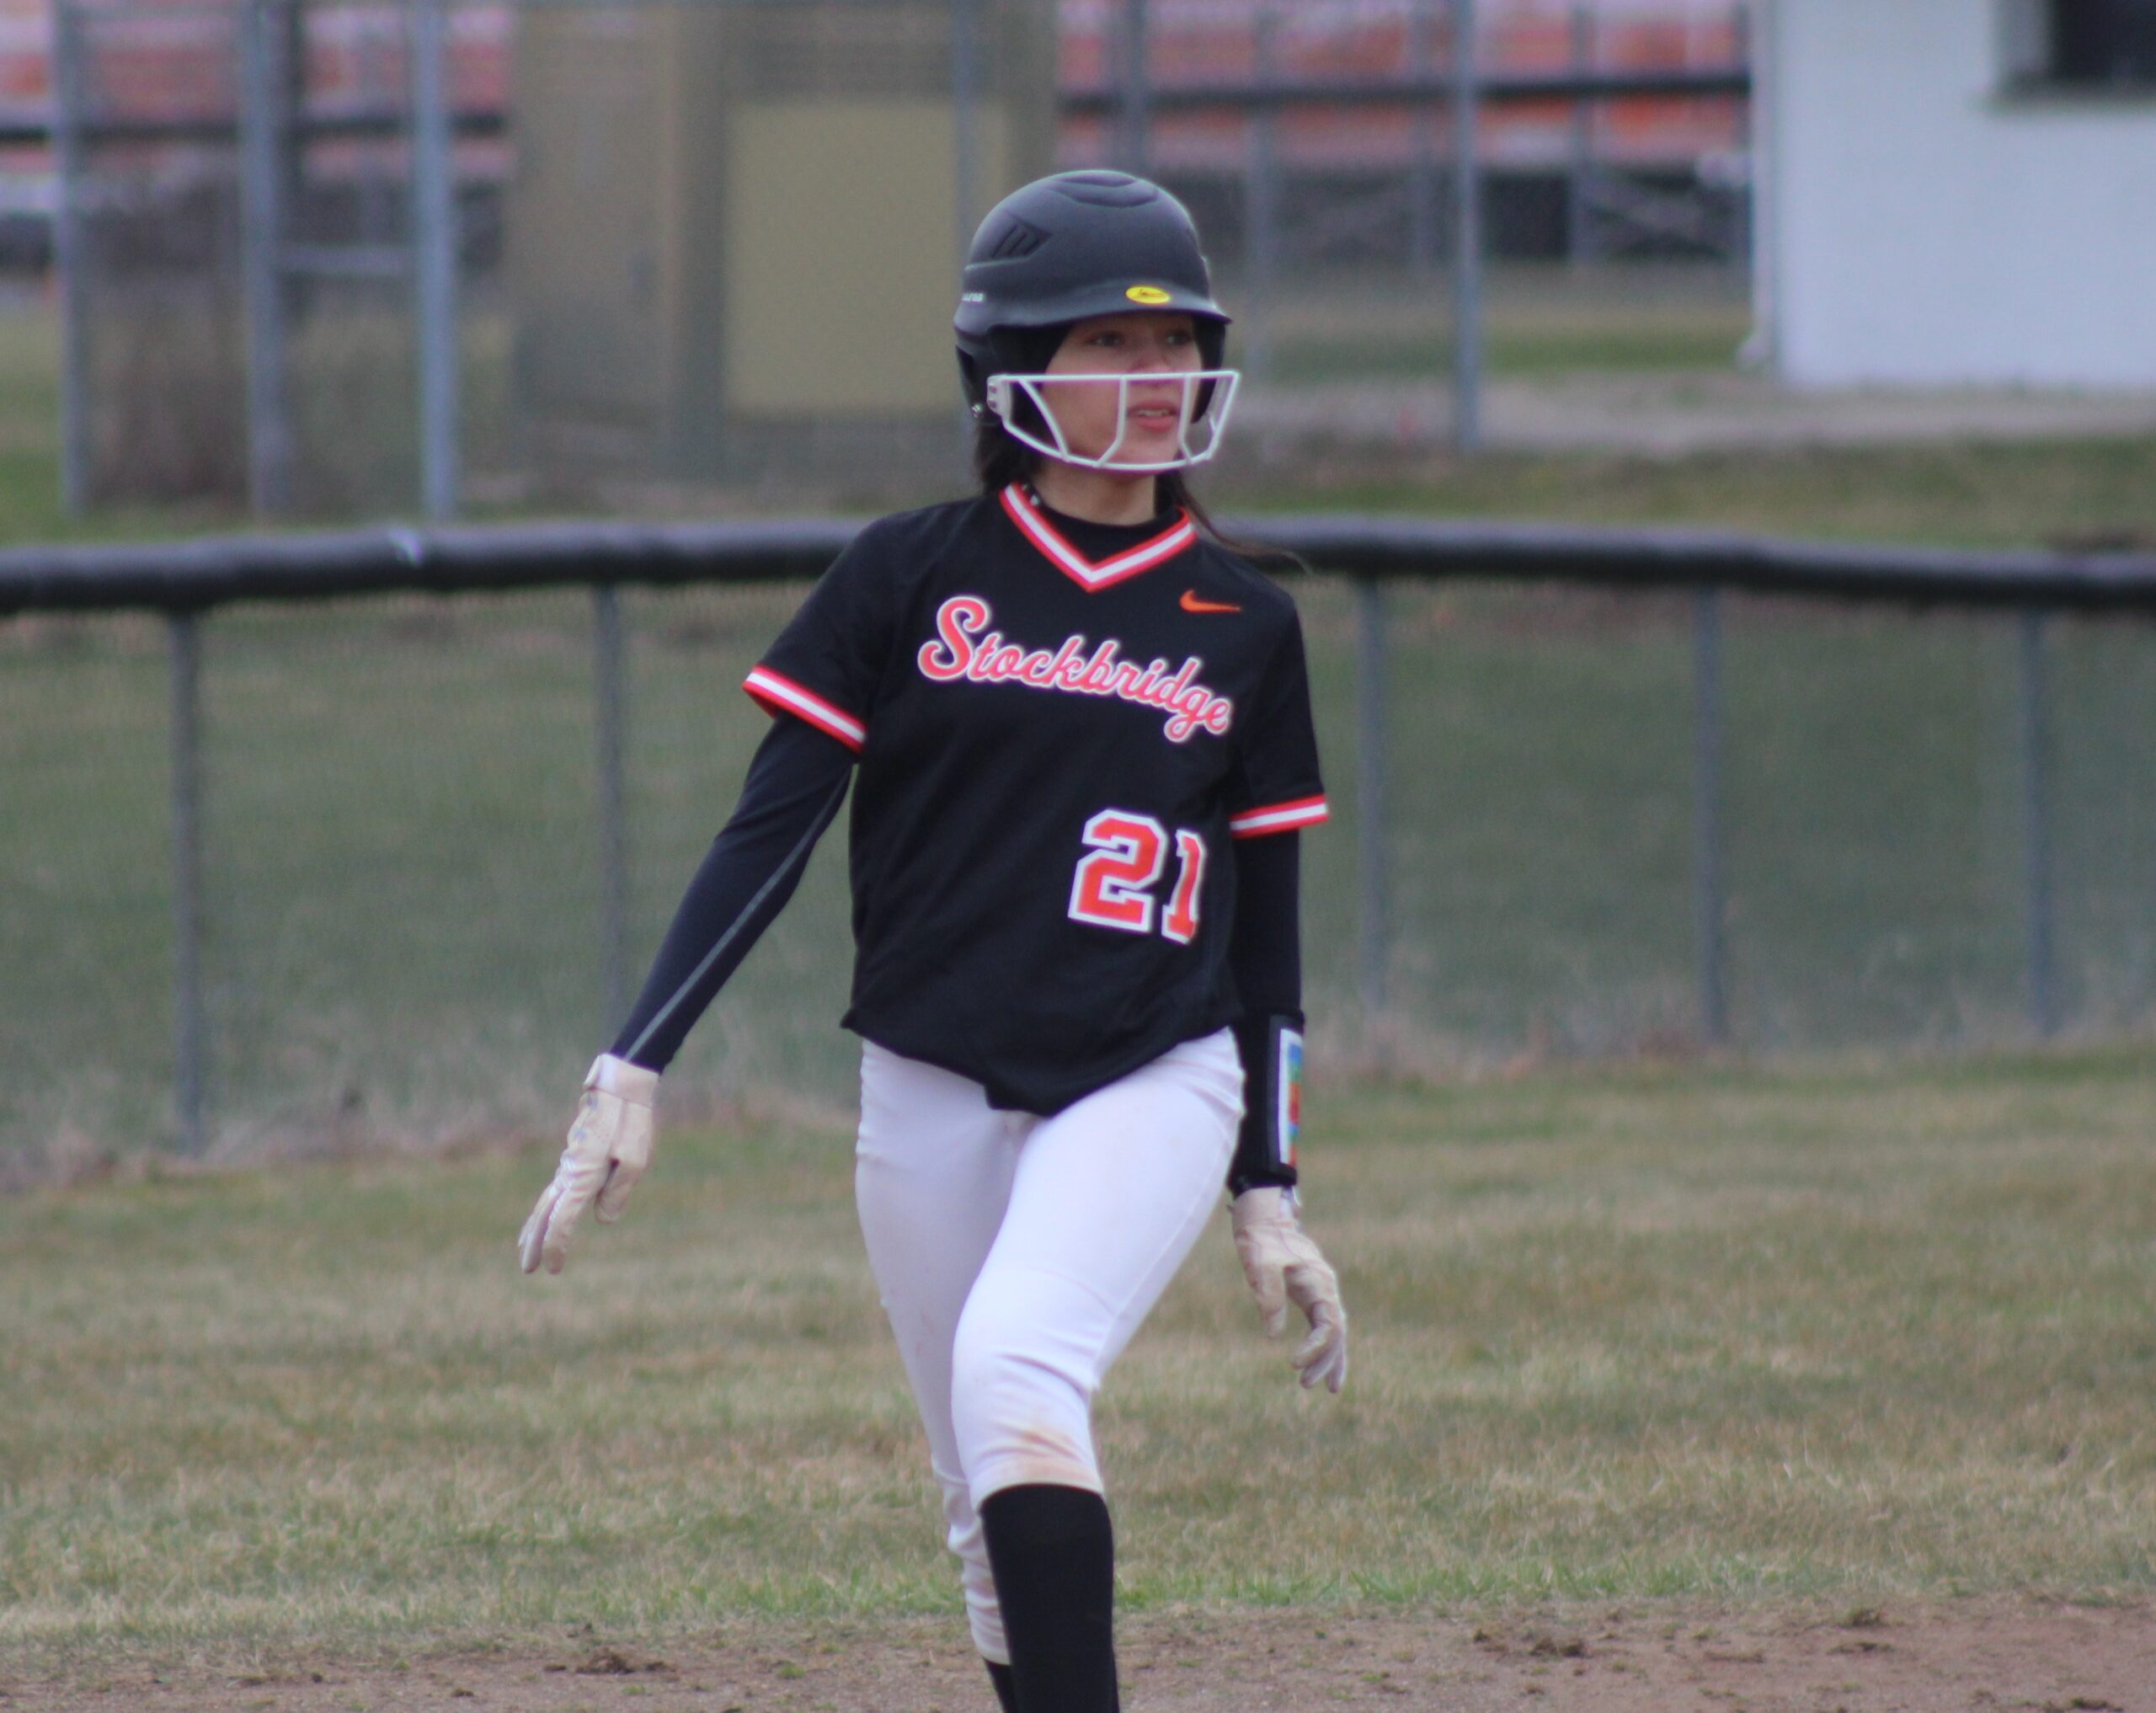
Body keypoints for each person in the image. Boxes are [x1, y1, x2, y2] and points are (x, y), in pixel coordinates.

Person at [517, 168, 1348, 1713]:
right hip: (929, 1073)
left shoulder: (1247, 623)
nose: (1157, 375)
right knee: (980, 1493)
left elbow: (1270, 942)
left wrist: (1271, 1182)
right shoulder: (909, 573)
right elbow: (768, 833)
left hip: (1149, 1069)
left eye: (1177, 343)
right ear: (1011, 369)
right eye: (1110, 342)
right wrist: (633, 1063)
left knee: (1018, 1368)